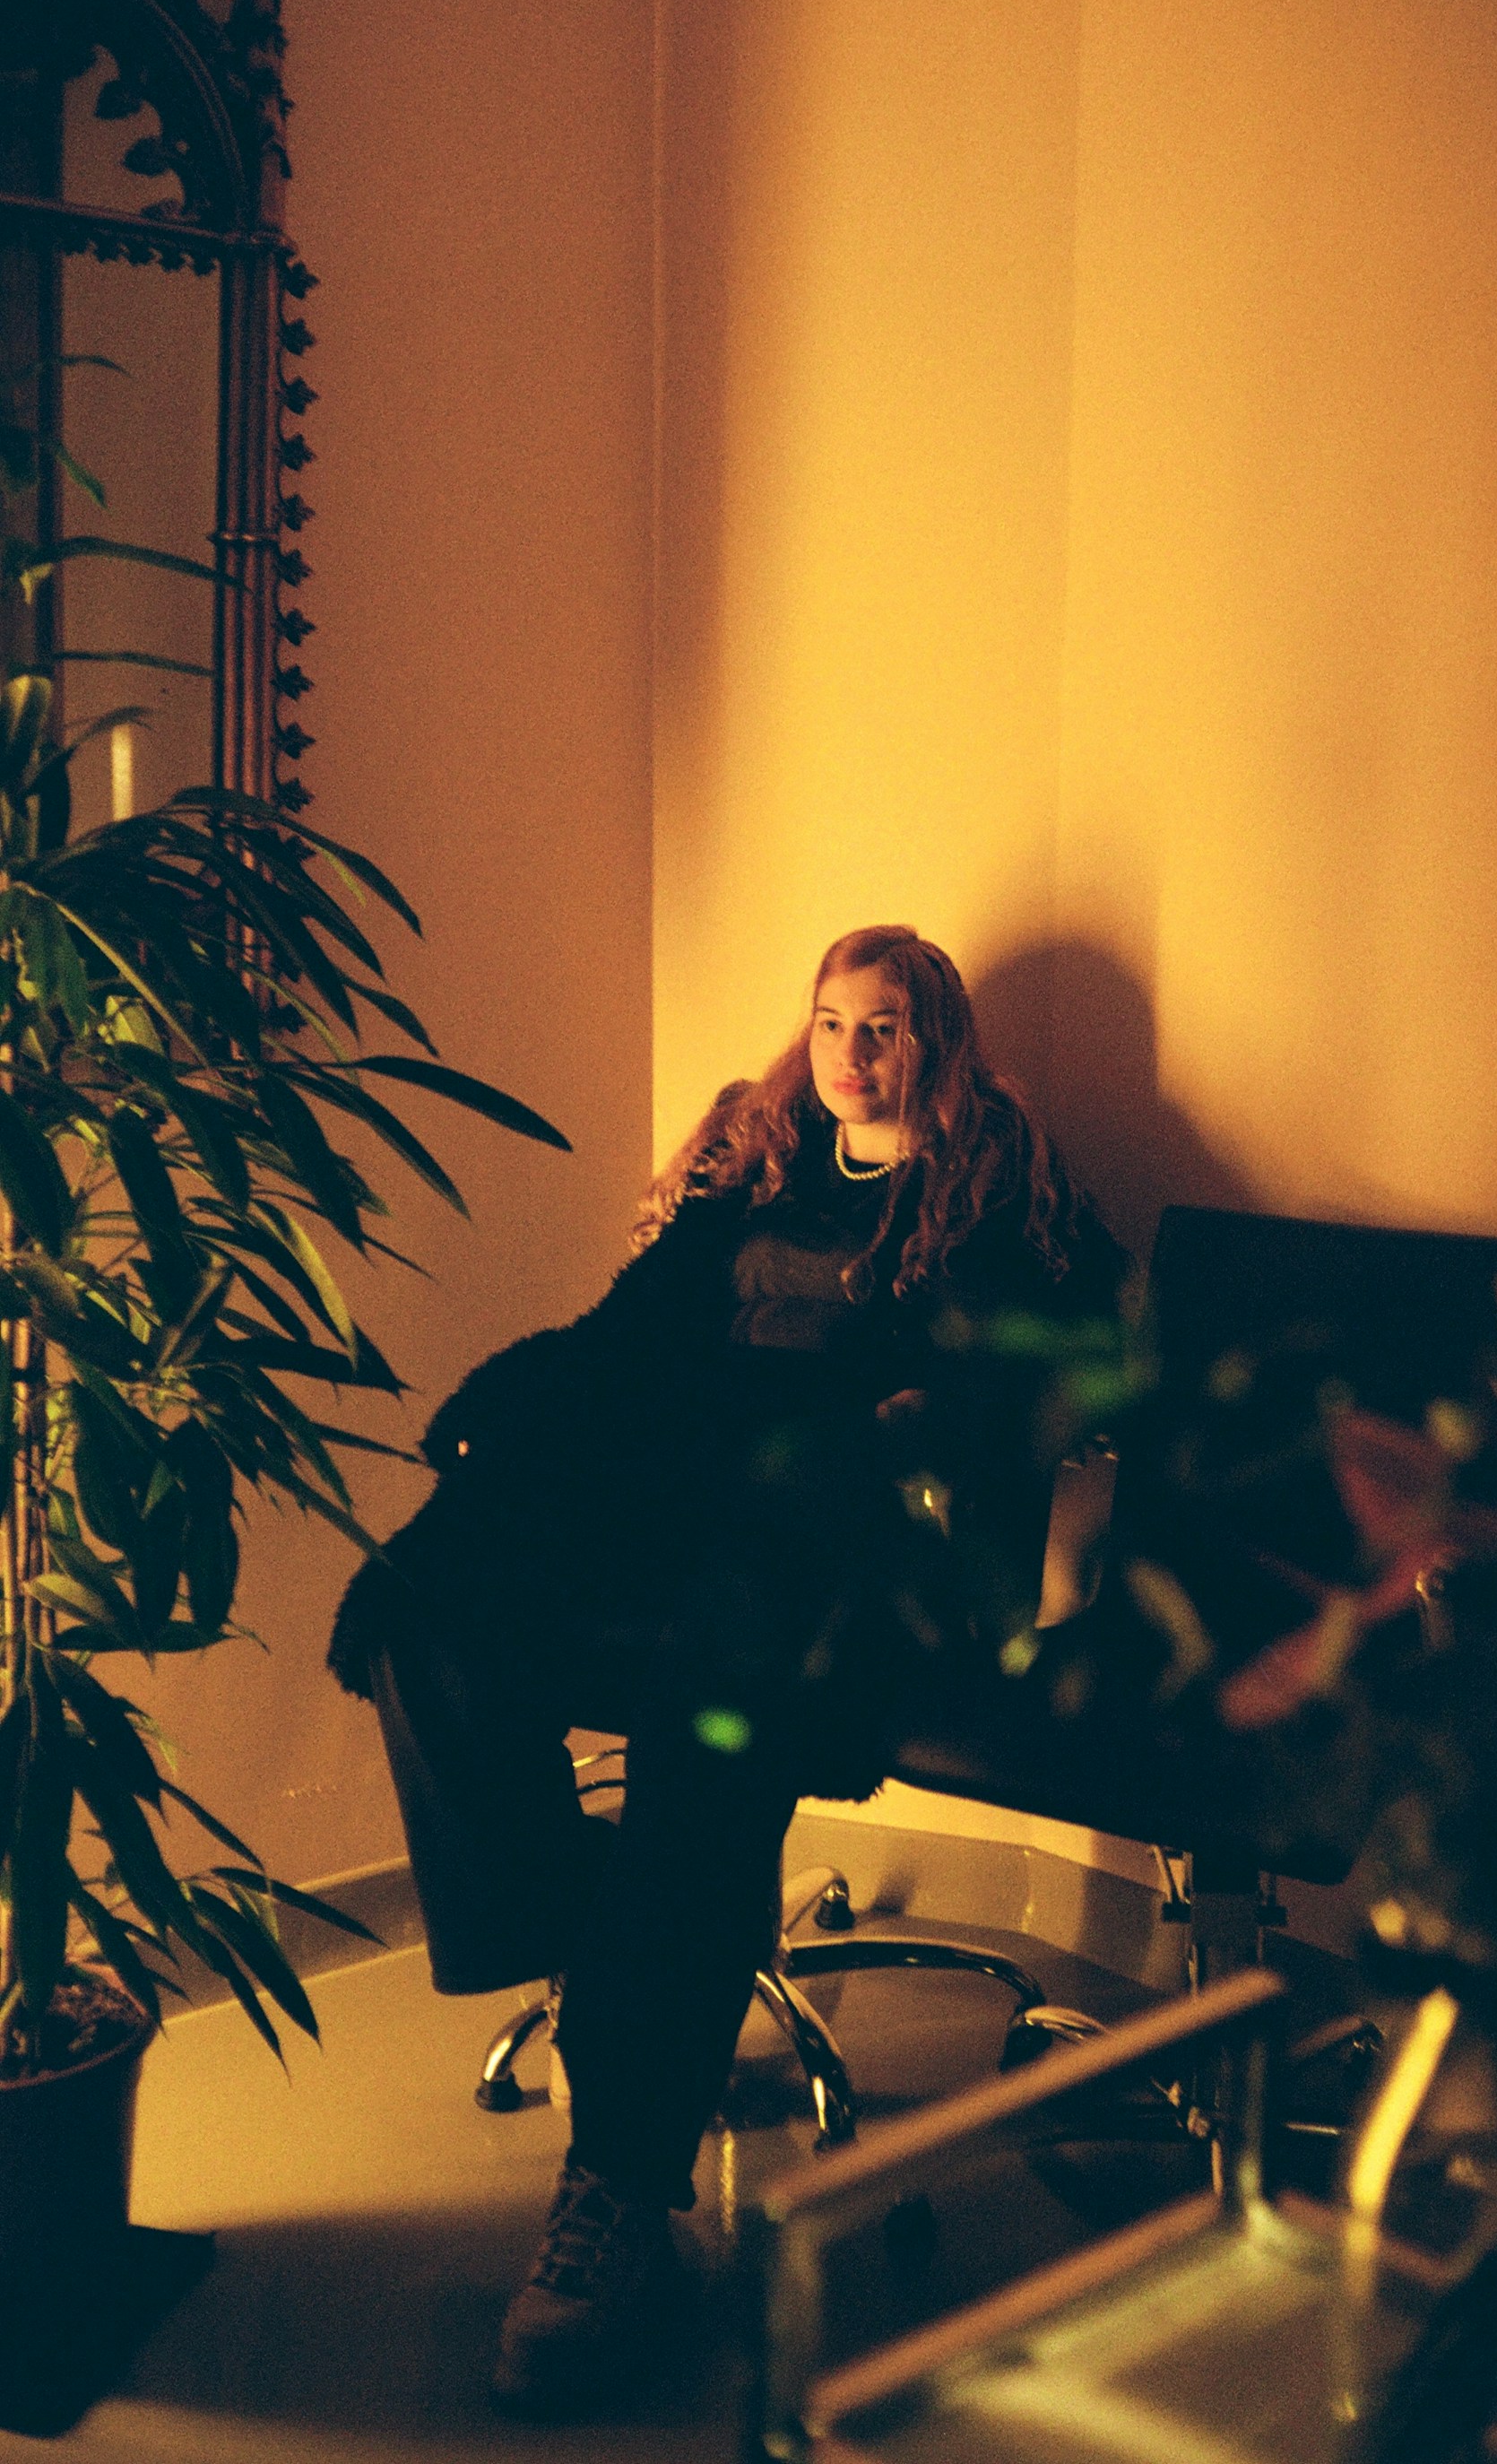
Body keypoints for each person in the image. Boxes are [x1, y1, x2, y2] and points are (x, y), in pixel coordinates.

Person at [328, 924, 1127, 2417]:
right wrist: (531, 1401)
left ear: (935, 1040)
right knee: (430, 1605)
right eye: (830, 1021)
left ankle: (621, 2186)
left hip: (865, 1568)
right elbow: (627, 1348)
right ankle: (606, 1958)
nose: (849, 1052)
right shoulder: (755, 1180)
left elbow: (1062, 1359)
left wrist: (904, 1415)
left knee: (720, 1704)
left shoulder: (997, 1195)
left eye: (883, 1026)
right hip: (700, 1517)